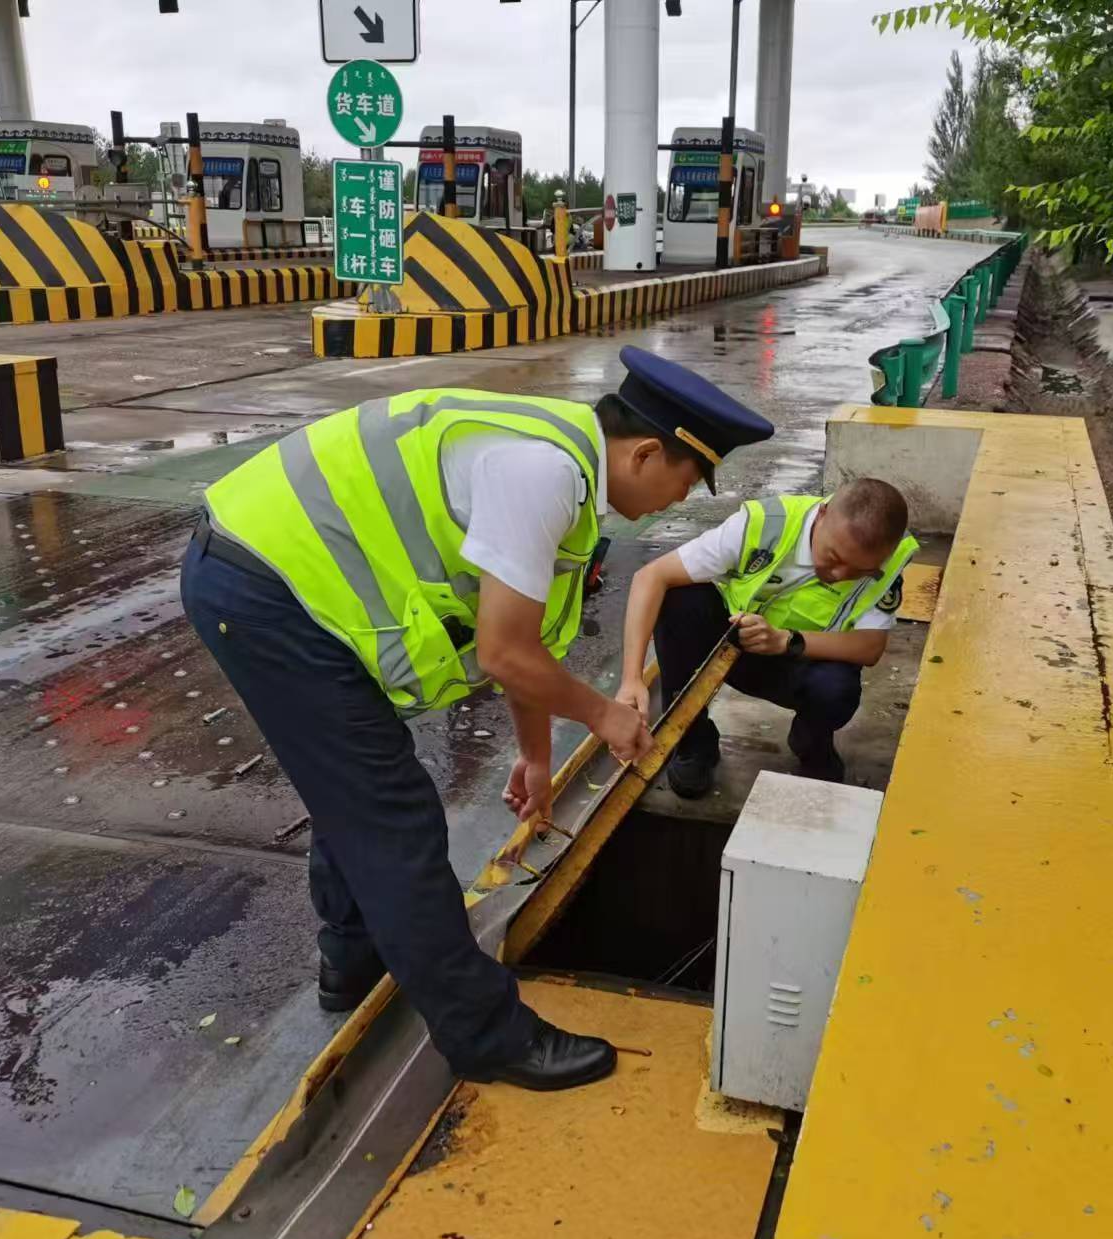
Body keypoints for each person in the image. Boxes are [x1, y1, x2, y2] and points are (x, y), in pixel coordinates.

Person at [179, 347, 773, 1093]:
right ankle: (485, 1034)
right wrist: (603, 717)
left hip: (281, 587)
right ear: (646, 452)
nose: (672, 505)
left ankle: (355, 958)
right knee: (392, 813)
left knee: (356, 786)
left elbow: (532, 638)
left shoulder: (569, 476)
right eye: (681, 484)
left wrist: (533, 757)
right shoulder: (542, 475)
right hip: (263, 586)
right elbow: (502, 650)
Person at [617, 479, 918, 796]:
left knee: (837, 689)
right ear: (822, 514)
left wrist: (788, 641)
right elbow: (651, 577)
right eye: (833, 556)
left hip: (799, 663)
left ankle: (811, 743)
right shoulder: (764, 524)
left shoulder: (889, 558)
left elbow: (870, 647)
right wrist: (631, 678)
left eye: (859, 570)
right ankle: (694, 742)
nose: (840, 574)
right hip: (731, 650)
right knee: (679, 600)